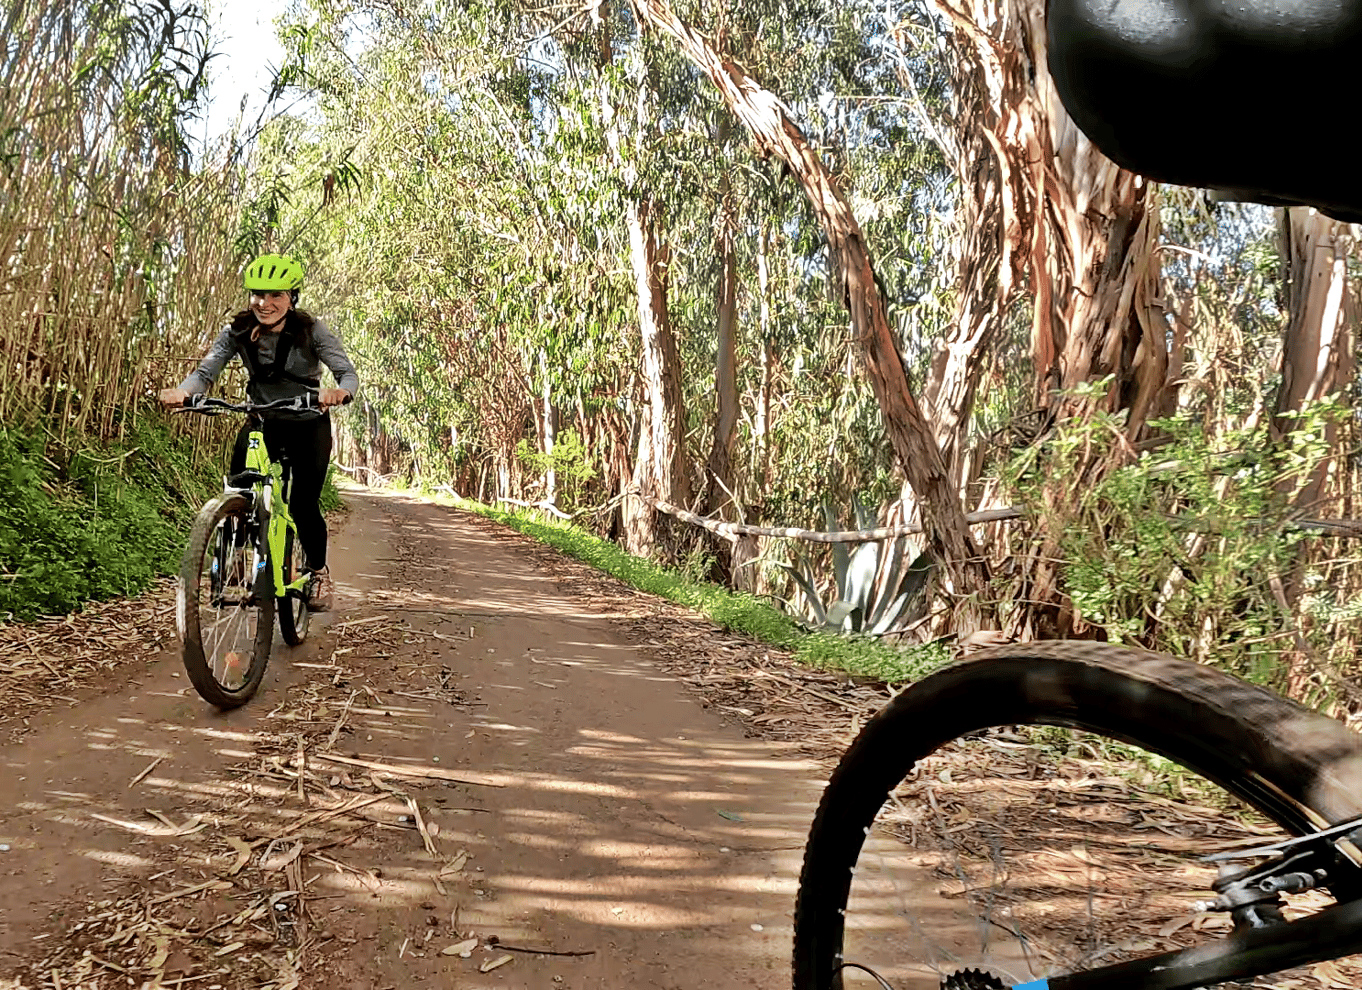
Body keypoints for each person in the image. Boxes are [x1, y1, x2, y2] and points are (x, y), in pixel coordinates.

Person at [159, 253, 359, 612]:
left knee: (302, 503)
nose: (264, 304)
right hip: (261, 420)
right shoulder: (236, 331)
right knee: (238, 485)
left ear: (291, 297)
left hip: (307, 423)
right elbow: (206, 372)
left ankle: (317, 572)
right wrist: (184, 392)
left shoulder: (313, 331)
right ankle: (235, 557)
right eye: (257, 295)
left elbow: (347, 373)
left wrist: (339, 391)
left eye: (275, 295)